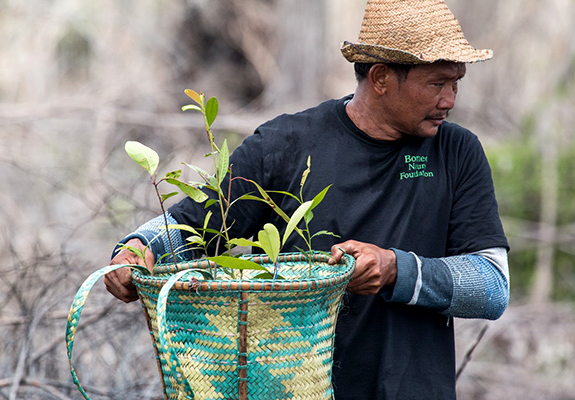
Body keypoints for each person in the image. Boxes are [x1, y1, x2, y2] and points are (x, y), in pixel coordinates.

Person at [105, 0, 510, 398]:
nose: (450, 100)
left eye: (456, 83)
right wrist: (137, 247)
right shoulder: (286, 144)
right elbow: (194, 223)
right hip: (292, 388)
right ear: (382, 77)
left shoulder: (457, 152)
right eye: (437, 84)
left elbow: (492, 285)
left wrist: (394, 269)